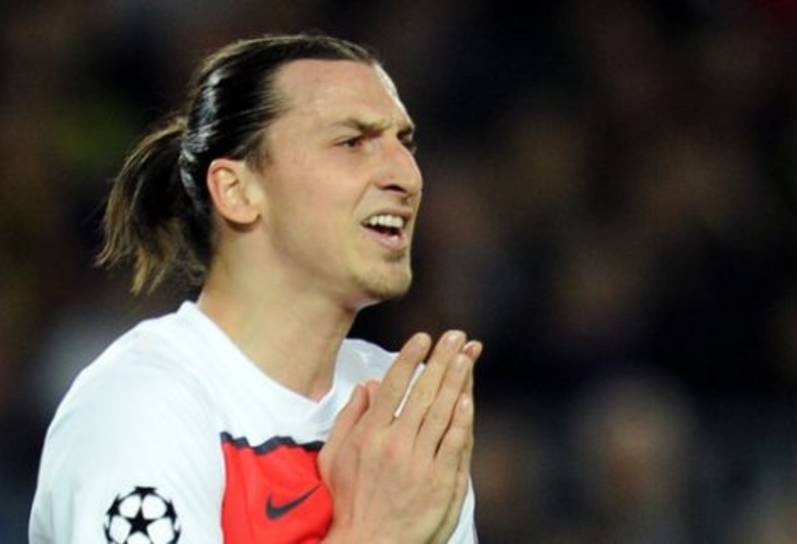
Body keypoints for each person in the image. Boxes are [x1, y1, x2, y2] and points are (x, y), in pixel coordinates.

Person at [29, 33, 481, 543]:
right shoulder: (140, 405)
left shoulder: (401, 414)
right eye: (352, 142)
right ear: (237, 191)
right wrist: (377, 534)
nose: (407, 176)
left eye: (405, 143)